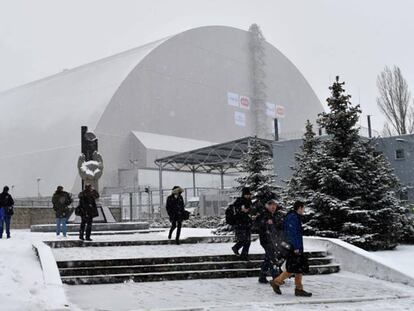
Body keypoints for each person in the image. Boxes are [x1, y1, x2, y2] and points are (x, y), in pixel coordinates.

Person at [270, 201, 312, 297]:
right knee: (293, 267)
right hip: (294, 247)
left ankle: (298, 289)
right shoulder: (292, 217)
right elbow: (292, 234)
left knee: (298, 267)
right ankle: (277, 282)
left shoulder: (294, 217)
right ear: (299, 208)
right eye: (303, 208)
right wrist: (296, 247)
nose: (304, 210)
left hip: (295, 246)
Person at [255, 199, 284, 283]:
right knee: (272, 258)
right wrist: (265, 223)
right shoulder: (263, 215)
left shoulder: (275, 215)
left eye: (275, 205)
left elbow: (278, 226)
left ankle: (262, 276)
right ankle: (276, 277)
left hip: (273, 240)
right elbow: (257, 225)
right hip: (266, 240)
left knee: (268, 258)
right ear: (267, 206)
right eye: (271, 205)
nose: (273, 207)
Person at [231, 187, 252, 261]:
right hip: (240, 223)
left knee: (248, 241)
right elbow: (237, 211)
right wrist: (242, 210)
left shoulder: (249, 201)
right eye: (247, 194)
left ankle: (244, 256)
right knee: (243, 240)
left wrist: (249, 212)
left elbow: (250, 210)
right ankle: (236, 248)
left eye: (249, 194)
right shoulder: (239, 201)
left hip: (247, 223)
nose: (248, 196)